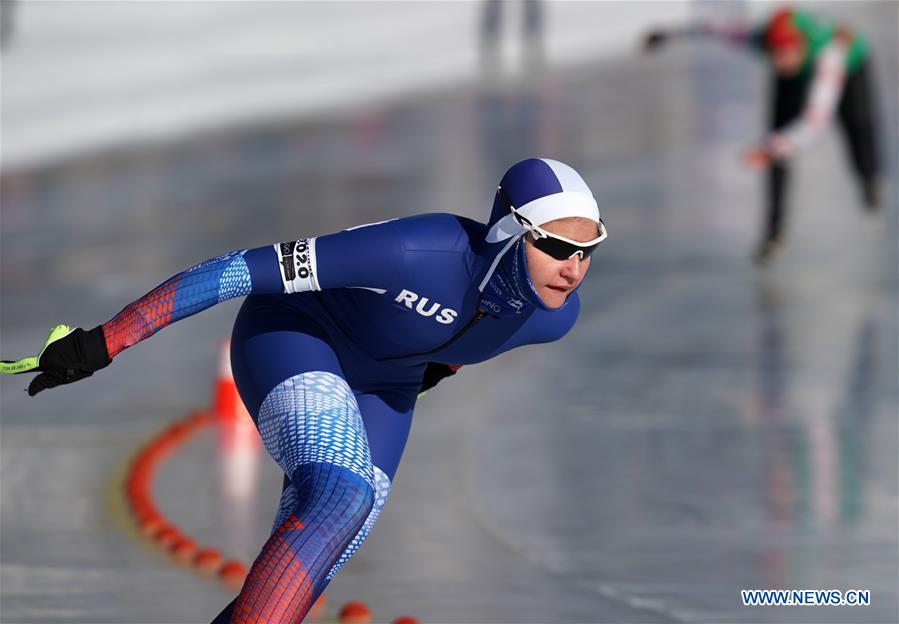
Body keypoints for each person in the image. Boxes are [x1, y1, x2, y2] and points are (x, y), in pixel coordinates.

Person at [1, 158, 607, 623]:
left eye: (587, 250)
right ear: (507, 231)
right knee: (342, 494)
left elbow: (466, 338)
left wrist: (435, 369)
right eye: (555, 245)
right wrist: (106, 340)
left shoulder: (555, 317)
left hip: (384, 387)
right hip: (296, 335)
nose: (572, 267)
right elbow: (236, 269)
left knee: (329, 546)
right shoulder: (413, 251)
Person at [644, 7, 881, 264]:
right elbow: (711, 27)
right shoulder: (760, 39)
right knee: (777, 150)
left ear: (800, 46)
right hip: (800, 70)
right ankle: (774, 232)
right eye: (775, 54)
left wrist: (771, 148)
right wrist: (664, 34)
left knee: (857, 127)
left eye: (786, 54)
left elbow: (815, 120)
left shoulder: (829, 55)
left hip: (852, 62)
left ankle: (869, 181)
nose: (779, 62)